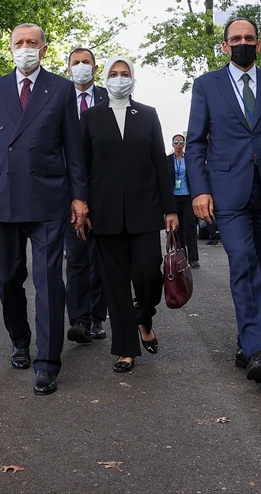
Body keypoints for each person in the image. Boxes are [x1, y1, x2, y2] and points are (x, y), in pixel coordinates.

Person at [0, 23, 88, 396]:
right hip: (2, 196)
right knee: (7, 279)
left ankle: (47, 362)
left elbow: (73, 149)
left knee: (49, 280)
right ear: (10, 48)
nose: (25, 48)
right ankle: (20, 339)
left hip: (49, 197)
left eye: (32, 43)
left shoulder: (61, 89)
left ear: (44, 49)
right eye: (19, 43)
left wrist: (79, 197)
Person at [186, 16, 261, 386]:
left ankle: (251, 325)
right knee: (243, 261)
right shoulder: (207, 85)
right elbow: (195, 143)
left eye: (249, 37)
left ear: (259, 45)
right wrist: (200, 189)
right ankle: (258, 351)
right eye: (235, 38)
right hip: (228, 192)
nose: (242, 42)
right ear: (225, 46)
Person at [80, 58, 178, 372]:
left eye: (125, 75)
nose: (119, 79)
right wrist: (81, 204)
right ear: (105, 79)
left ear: (132, 79)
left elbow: (160, 166)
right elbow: (81, 167)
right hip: (104, 214)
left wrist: (170, 209)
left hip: (145, 212)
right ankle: (125, 349)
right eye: (113, 74)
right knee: (115, 283)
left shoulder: (147, 115)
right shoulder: (91, 117)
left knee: (149, 274)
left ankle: (143, 317)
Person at [64, 48, 108, 343]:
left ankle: (96, 317)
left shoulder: (110, 97)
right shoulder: (57, 97)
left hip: (105, 191)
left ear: (95, 67)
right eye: (75, 63)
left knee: (101, 258)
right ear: (68, 68)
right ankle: (78, 319)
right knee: (76, 258)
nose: (81, 67)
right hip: (69, 192)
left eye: (86, 62)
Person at [167, 133, 199, 269]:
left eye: (181, 142)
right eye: (176, 142)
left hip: (187, 196)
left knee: (190, 226)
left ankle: (194, 259)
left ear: (184, 144)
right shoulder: (167, 160)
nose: (178, 145)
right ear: (172, 144)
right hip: (173, 197)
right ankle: (181, 258)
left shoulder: (189, 159)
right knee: (177, 228)